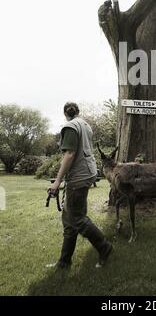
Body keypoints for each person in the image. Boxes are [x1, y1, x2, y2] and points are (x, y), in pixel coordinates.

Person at [47, 102, 112, 269]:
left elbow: (69, 154)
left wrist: (57, 181)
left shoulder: (70, 127)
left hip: (78, 177)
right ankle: (64, 261)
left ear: (65, 114)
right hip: (87, 173)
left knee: (76, 218)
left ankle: (104, 247)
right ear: (78, 112)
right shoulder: (85, 125)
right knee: (70, 219)